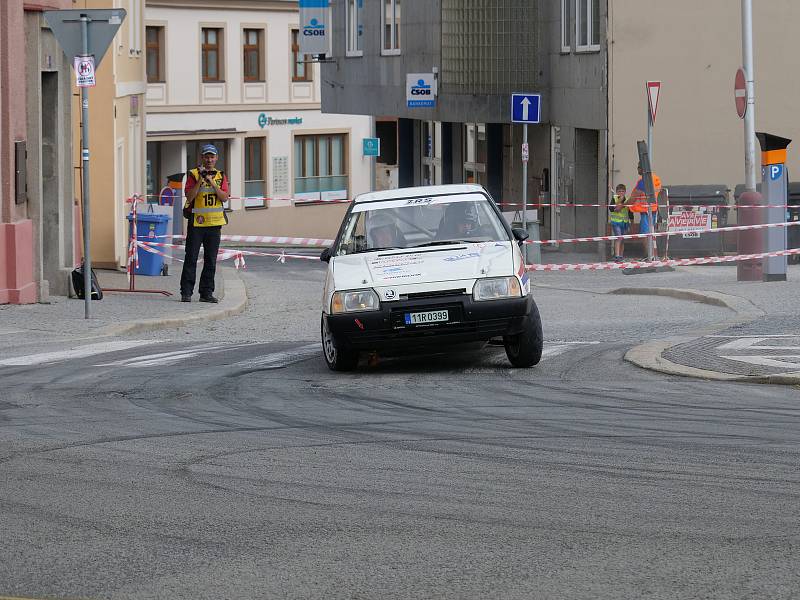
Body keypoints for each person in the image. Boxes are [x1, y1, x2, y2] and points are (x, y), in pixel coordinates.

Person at [180, 144, 230, 302]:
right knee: (191, 258)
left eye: (212, 157)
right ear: (202, 158)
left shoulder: (221, 175)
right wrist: (201, 180)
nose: (209, 159)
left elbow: (224, 197)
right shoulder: (193, 175)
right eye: (207, 156)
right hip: (197, 224)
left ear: (216, 158)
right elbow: (189, 197)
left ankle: (206, 293)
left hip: (214, 224)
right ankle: (186, 292)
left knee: (211, 260)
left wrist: (213, 183)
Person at [629, 162, 662, 258]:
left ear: (642, 169)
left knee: (645, 234)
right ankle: (653, 255)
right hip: (655, 209)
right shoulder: (655, 178)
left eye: (638, 168)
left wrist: (622, 205)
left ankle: (649, 256)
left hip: (646, 211)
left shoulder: (643, 181)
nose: (637, 170)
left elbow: (633, 197)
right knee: (652, 233)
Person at [608, 183, 630, 262]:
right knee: (618, 237)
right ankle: (617, 256)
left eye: (622, 191)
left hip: (624, 222)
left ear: (625, 192)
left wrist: (632, 222)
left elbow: (630, 212)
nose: (621, 192)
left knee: (622, 239)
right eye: (619, 191)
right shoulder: (614, 198)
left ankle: (621, 255)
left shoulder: (627, 200)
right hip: (616, 222)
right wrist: (616, 209)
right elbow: (610, 208)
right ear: (617, 192)